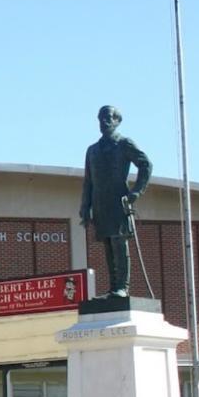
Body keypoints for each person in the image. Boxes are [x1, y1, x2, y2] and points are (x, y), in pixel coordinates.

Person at [80, 106, 152, 298]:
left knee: (119, 243)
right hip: (100, 203)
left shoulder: (123, 144)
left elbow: (145, 165)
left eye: (109, 118)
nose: (104, 121)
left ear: (117, 121)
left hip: (118, 201)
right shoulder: (92, 150)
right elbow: (88, 181)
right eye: (101, 118)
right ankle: (113, 287)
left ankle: (123, 287)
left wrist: (136, 192)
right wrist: (85, 207)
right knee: (108, 245)